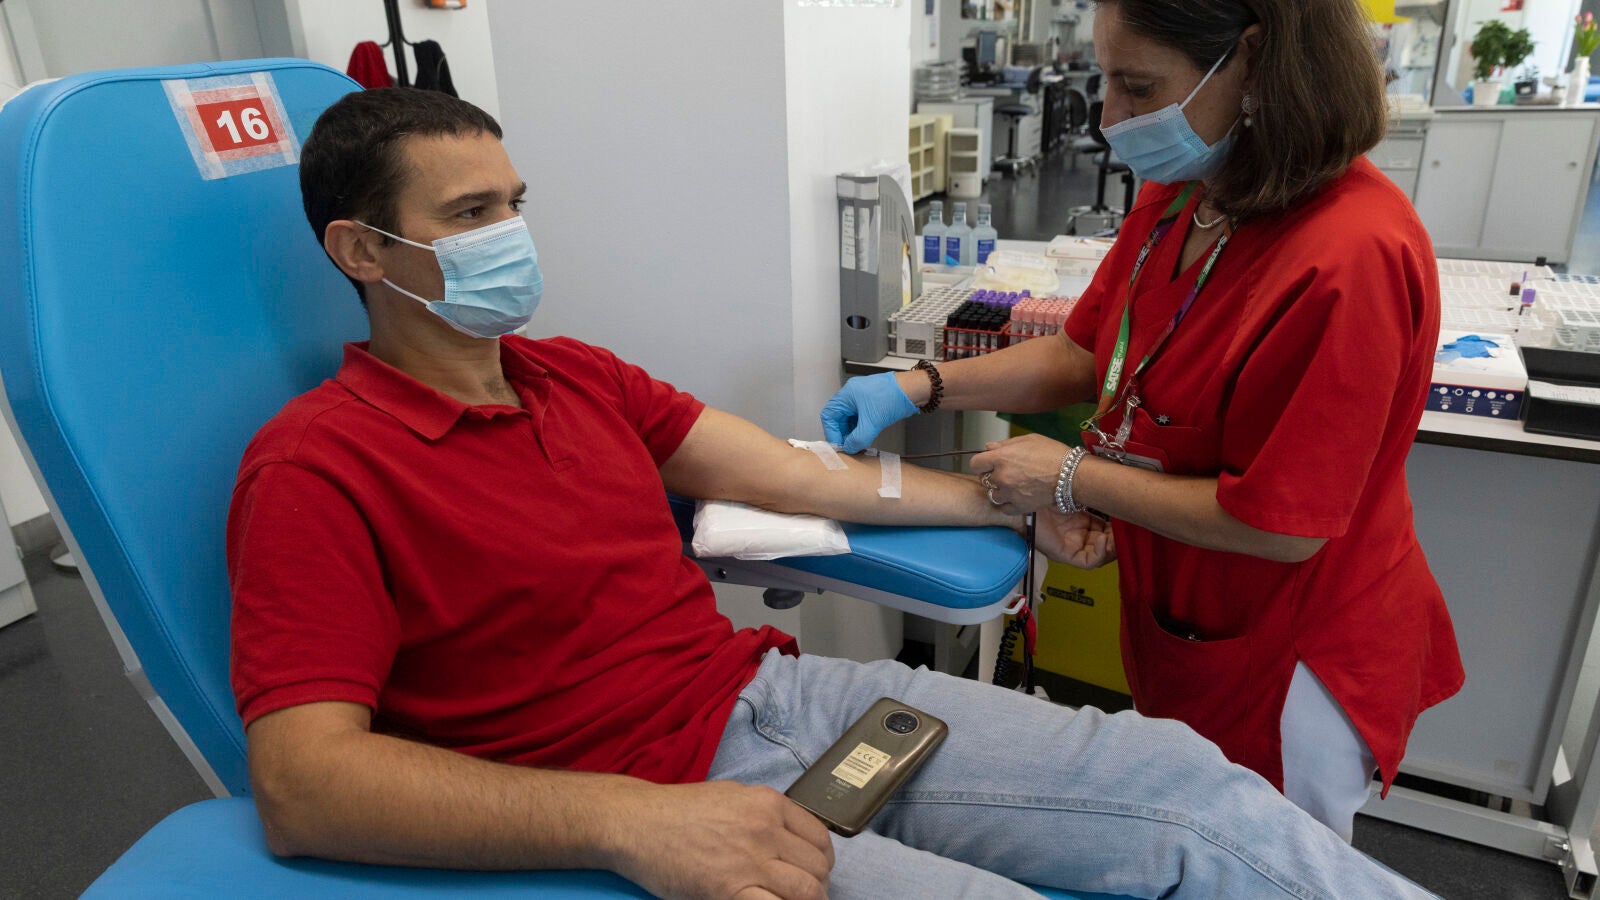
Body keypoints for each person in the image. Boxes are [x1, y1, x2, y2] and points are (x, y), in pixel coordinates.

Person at [228, 86, 1437, 899]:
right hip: (654, 794)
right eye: (470, 215)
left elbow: (786, 470)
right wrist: (623, 823)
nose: (511, 236)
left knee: (1194, 796)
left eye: (515, 206)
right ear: (363, 252)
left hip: (779, 698)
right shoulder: (319, 467)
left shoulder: (572, 375)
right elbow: (302, 785)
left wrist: (1007, 497)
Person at [821, 0, 1463, 843]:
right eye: (1107, 79)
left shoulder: (1351, 255)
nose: (1110, 116)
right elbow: (1083, 350)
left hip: (1288, 649)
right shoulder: (1188, 194)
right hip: (1183, 618)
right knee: (1180, 833)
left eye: (1139, 86)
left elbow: (1282, 528)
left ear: (1254, 62)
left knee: (1263, 862)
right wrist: (920, 387)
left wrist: (1073, 476)